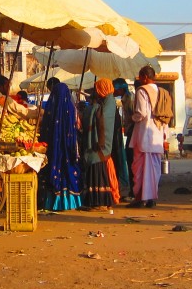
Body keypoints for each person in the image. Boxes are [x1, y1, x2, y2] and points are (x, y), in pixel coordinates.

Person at [38, 81, 81, 211]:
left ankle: (54, 202)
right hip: (68, 148)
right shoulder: (71, 108)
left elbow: (45, 128)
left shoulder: (51, 108)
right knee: (68, 172)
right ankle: (71, 202)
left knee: (56, 170)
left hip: (54, 149)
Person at [80, 78, 122, 210]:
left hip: (99, 145)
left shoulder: (105, 105)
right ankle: (97, 201)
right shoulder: (107, 102)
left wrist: (91, 109)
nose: (96, 92)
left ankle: (100, 202)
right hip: (101, 145)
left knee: (97, 167)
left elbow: (101, 122)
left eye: (98, 89)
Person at [129, 66, 165, 208]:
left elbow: (141, 113)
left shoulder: (142, 91)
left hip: (144, 133)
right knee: (154, 169)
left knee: (140, 168)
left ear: (144, 77)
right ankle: (151, 198)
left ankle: (140, 198)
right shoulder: (163, 92)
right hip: (158, 135)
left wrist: (132, 118)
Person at [113, 78, 135, 199]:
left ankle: (133, 191)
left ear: (120, 89)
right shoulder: (124, 98)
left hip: (132, 131)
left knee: (131, 161)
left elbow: (134, 116)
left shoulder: (129, 98)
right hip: (129, 131)